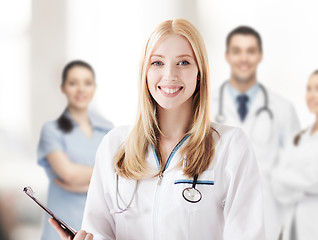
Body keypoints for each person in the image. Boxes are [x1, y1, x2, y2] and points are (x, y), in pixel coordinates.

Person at [50, 18, 266, 240]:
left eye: (183, 62)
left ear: (199, 71)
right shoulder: (114, 146)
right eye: (157, 63)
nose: (170, 75)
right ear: (145, 72)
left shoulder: (230, 146)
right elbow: (98, 231)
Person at [210, 26, 300, 240]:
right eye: (237, 51)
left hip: (270, 222)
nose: (244, 58)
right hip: (217, 221)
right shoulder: (206, 107)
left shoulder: (282, 109)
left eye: (250, 51)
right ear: (227, 56)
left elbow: (297, 170)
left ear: (260, 55)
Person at [37, 60, 113, 240]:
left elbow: (121, 176)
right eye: (73, 83)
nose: (80, 89)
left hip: (96, 229)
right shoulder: (52, 130)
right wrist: (103, 177)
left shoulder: (109, 131)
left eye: (86, 83)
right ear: (63, 88)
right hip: (62, 226)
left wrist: (88, 180)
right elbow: (68, 173)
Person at [271, 70, 318, 240]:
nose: (311, 95)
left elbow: (315, 179)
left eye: (317, 89)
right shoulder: (299, 137)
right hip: (292, 228)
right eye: (309, 89)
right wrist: (304, 189)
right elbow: (276, 182)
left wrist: (290, 182)